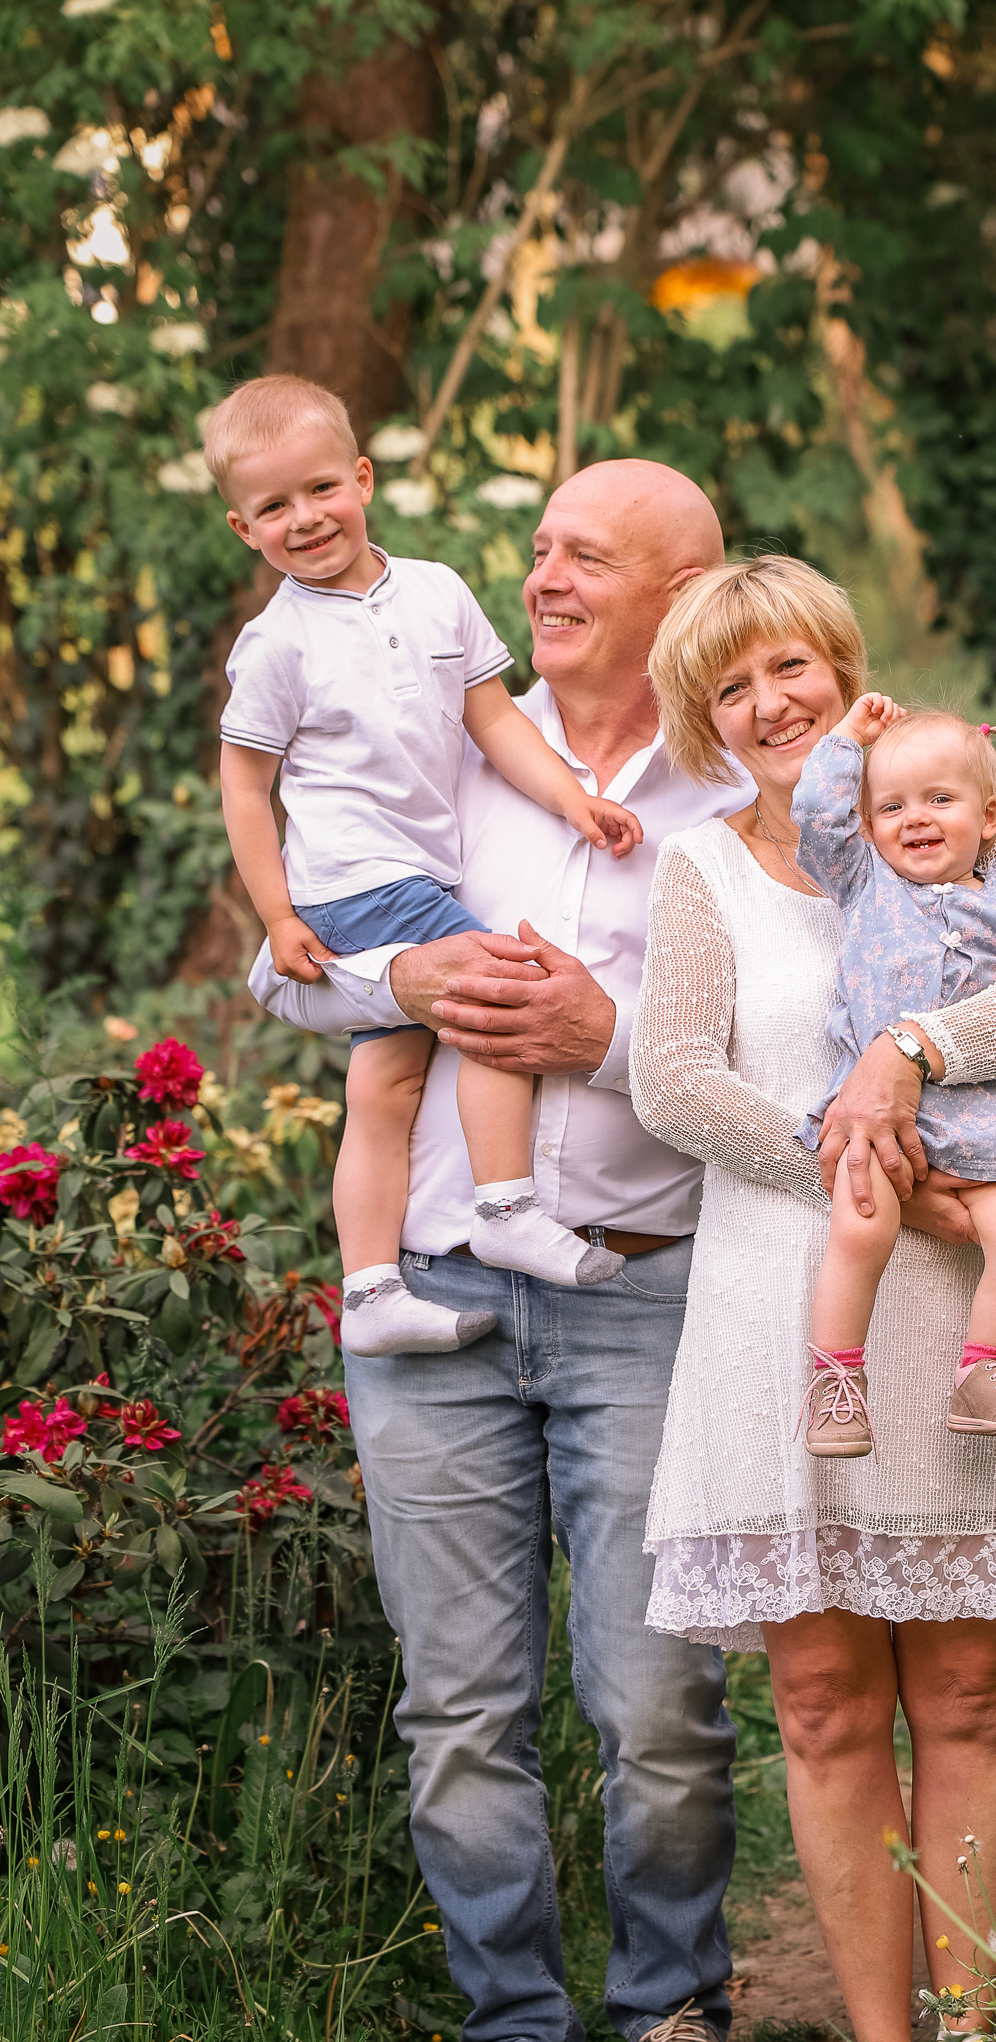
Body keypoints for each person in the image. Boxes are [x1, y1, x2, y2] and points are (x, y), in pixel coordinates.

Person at [245, 458, 768, 2042]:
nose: (543, 577)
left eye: (587, 558)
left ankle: (679, 2006)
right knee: (459, 1705)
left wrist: (602, 1040)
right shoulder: (428, 731)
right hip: (433, 1295)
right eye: (539, 546)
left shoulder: (741, 788)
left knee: (653, 1696)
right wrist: (400, 979)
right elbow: (283, 959)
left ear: (682, 587)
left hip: (644, 1286)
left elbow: (809, 1033)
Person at [630, 554, 996, 2042]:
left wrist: (910, 1055)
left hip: (960, 1306)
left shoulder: (945, 813)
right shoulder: (705, 869)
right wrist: (852, 1156)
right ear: (703, 721)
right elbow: (673, 1081)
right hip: (797, 1291)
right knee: (826, 1706)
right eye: (731, 688)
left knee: (971, 1695)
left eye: (789, 668)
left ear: (838, 670)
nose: (769, 705)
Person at [211, 375, 644, 1360]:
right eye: (273, 507)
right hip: (358, 878)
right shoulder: (277, 644)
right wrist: (279, 915)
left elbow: (491, 719)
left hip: (418, 871)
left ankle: (367, 1289)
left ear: (362, 478)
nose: (305, 518)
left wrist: (571, 798)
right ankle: (504, 1204)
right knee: (496, 987)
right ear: (245, 529)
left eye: (321, 487)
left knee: (385, 1086)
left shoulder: (440, 590)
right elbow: (245, 789)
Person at [790, 693, 996, 1457]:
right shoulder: (863, 880)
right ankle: (836, 1383)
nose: (914, 819)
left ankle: (985, 1373)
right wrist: (846, 739)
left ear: (991, 814)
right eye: (891, 807)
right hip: (881, 1115)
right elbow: (816, 814)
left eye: (939, 800)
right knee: (858, 1229)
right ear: (868, 826)